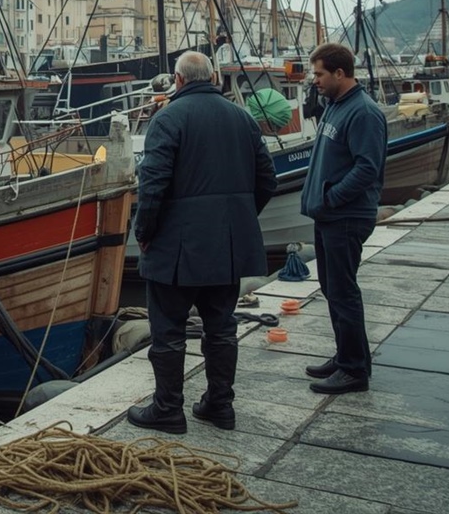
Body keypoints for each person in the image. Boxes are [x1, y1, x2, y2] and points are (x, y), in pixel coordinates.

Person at [127, 51, 277, 434]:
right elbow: (267, 181)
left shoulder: (167, 118)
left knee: (169, 331)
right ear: (212, 78)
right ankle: (220, 406)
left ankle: (168, 409)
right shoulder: (242, 118)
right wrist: (237, 220)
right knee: (221, 327)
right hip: (226, 247)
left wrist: (143, 233)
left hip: (176, 247)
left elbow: (153, 186)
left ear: (178, 80)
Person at [300, 42, 387, 394]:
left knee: (343, 290)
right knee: (332, 289)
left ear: (340, 73)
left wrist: (333, 199)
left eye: (319, 74)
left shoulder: (363, 113)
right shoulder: (335, 106)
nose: (314, 80)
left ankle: (353, 371)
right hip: (330, 214)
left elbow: (367, 167)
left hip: (346, 215)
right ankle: (348, 355)